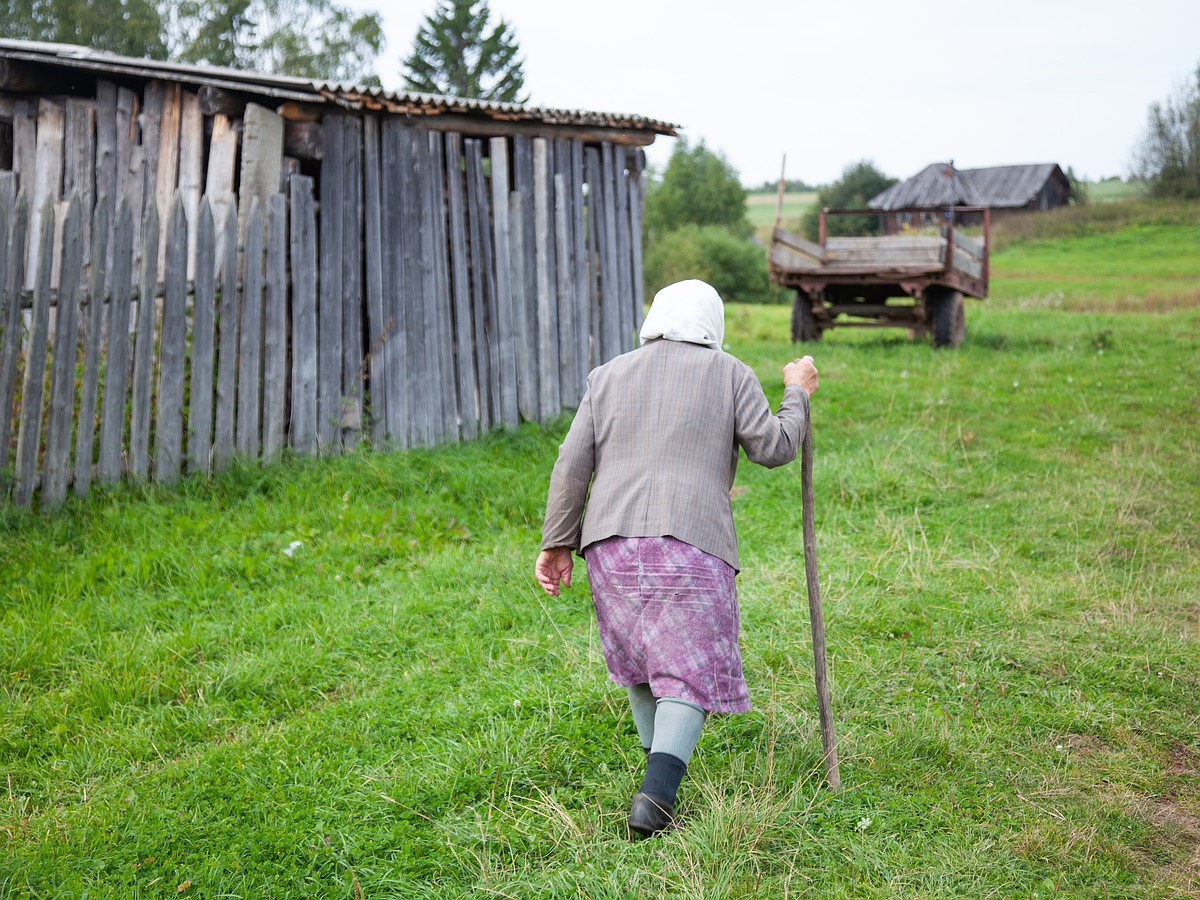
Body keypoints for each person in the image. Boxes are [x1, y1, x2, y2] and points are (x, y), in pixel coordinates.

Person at [534, 278, 819, 839]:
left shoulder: (608, 375)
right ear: (712, 326)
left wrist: (557, 542)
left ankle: (653, 777)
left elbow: (571, 464)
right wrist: (797, 392)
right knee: (685, 671)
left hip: (608, 544)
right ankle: (657, 797)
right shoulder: (730, 372)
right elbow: (774, 447)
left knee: (642, 660)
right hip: (691, 543)